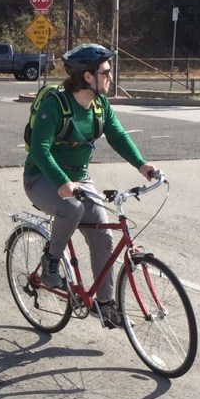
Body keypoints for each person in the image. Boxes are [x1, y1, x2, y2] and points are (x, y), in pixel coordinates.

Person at [23, 43, 159, 328]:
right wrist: (62, 182)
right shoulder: (56, 104)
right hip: (43, 178)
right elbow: (40, 149)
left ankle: (106, 305)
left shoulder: (100, 105)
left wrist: (142, 164)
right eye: (106, 72)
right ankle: (51, 263)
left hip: (80, 179)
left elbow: (118, 137)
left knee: (103, 236)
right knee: (71, 209)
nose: (111, 77)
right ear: (88, 76)